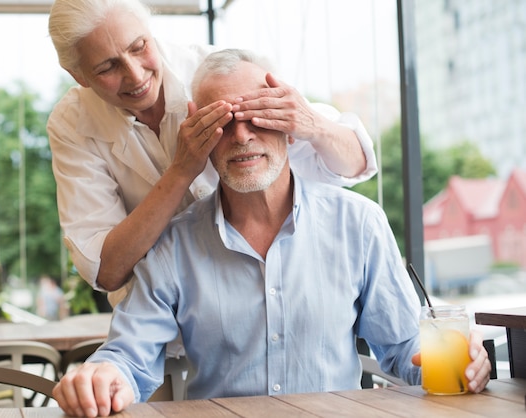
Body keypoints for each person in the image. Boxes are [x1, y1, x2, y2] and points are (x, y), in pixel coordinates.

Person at [52, 49, 491, 417]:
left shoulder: (358, 224)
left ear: (289, 121)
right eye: (220, 122)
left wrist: (464, 364)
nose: (241, 135)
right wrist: (103, 376)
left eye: (258, 116)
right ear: (197, 133)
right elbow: (128, 357)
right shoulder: (173, 244)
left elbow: (405, 348)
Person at [47, 0, 378, 300]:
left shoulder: (218, 72)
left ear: (150, 32)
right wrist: (181, 171)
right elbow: (106, 270)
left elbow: (356, 163)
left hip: (275, 300)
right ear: (78, 75)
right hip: (163, 330)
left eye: (139, 47)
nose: (135, 76)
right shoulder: (72, 124)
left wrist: (314, 124)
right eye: (107, 68)